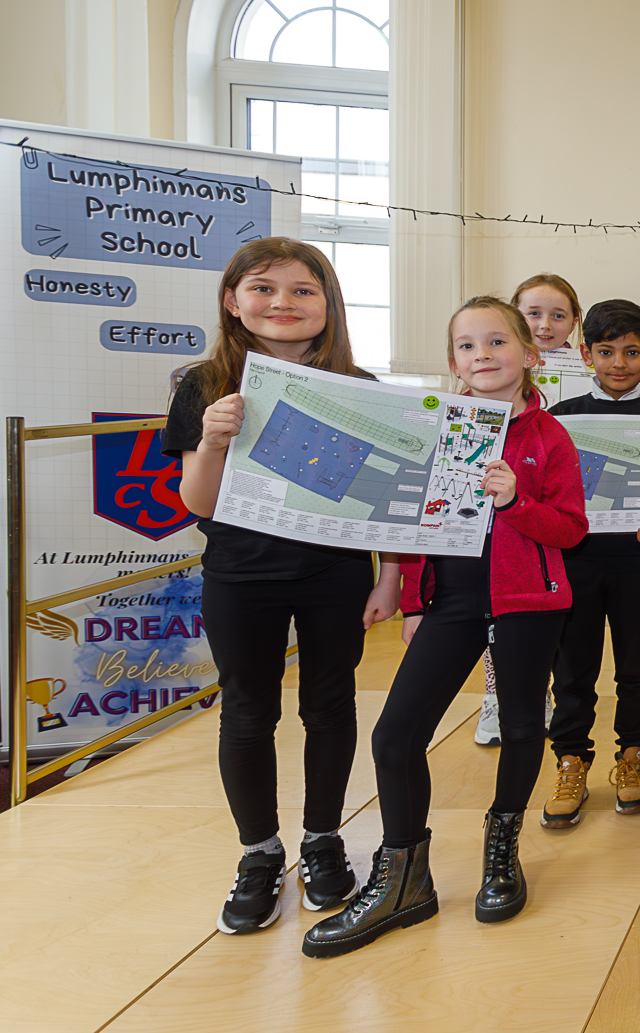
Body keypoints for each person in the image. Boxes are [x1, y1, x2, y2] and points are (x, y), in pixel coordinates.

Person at [303, 296, 586, 958]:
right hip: (451, 601)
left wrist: (515, 500)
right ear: (451, 359)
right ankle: (404, 875)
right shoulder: (438, 428)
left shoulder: (550, 438)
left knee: (521, 725)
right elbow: (409, 523)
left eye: (497, 342)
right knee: (395, 733)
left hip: (528, 601)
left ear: (530, 353)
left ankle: (501, 847)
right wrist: (409, 603)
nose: (481, 355)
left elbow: (570, 527)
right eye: (466, 345)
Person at [166, 237, 401, 936]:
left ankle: (322, 838)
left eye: (304, 289)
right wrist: (211, 439)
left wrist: (389, 574)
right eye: (264, 288)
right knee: (246, 708)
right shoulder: (204, 385)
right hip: (240, 574)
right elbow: (198, 504)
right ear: (232, 301)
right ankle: (258, 852)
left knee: (330, 706)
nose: (283, 303)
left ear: (328, 306)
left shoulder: (360, 389)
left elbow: (386, 498)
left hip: (334, 573)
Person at [539, 300, 640, 827]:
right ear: (585, 353)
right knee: (572, 669)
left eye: (631, 352)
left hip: (639, 562)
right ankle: (571, 758)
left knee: (637, 668)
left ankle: (634, 755)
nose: (619, 363)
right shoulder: (560, 419)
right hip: (573, 562)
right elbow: (548, 492)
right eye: (606, 351)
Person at [469, 272, 580, 746]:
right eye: (533, 313)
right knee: (501, 626)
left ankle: (541, 697)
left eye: (558, 315)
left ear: (575, 323)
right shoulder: (484, 379)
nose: (545, 323)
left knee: (557, 636)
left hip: (558, 517)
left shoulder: (588, 374)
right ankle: (498, 696)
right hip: (501, 529)